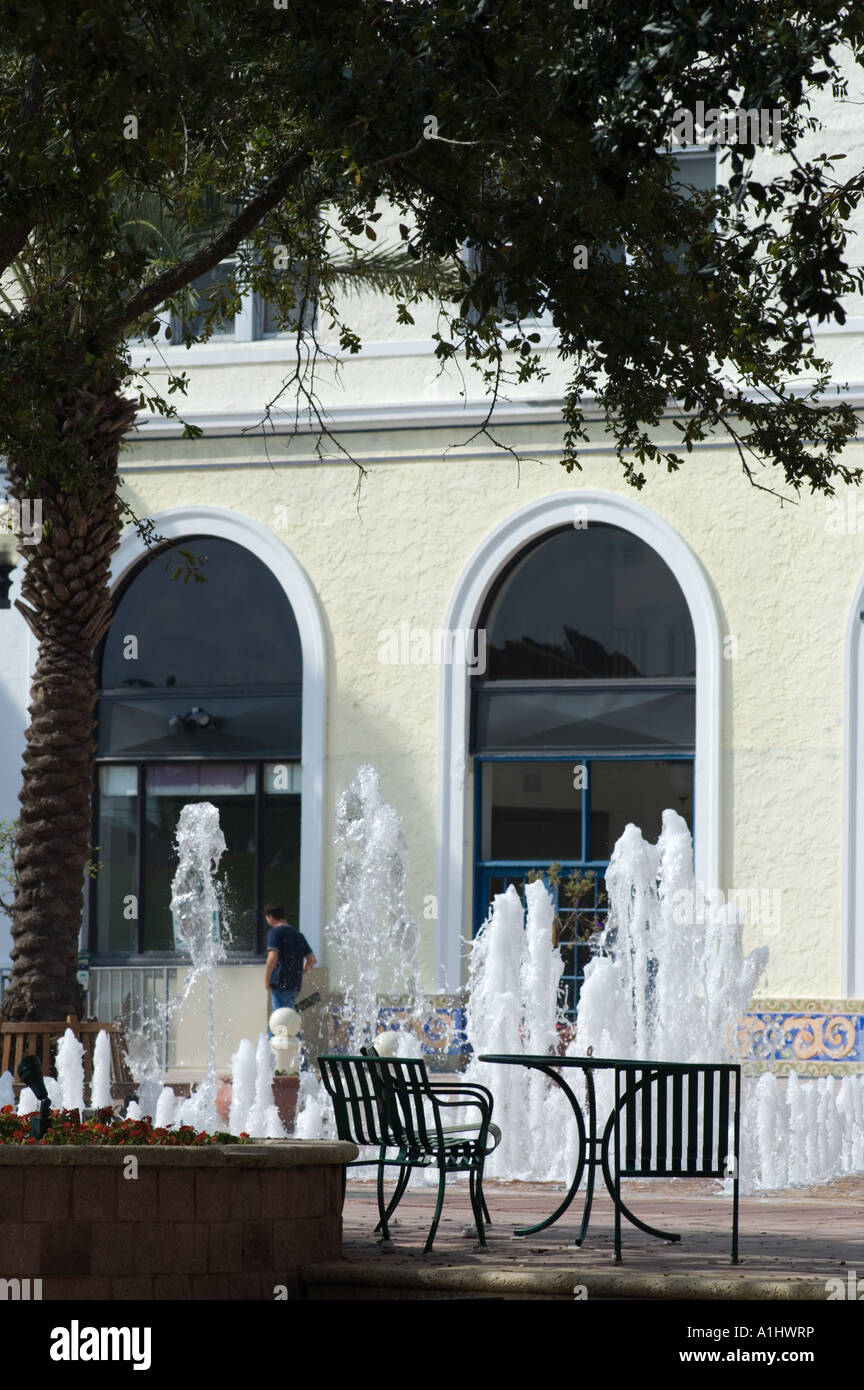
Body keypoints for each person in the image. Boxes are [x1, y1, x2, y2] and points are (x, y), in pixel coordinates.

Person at [263, 902, 316, 1011]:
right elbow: (312, 959)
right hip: (295, 985)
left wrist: (267, 979)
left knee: (280, 1021)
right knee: (285, 1017)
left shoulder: (274, 933)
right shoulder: (298, 935)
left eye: (266, 918)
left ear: (270, 917)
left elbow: (272, 957)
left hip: (280, 983)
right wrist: (301, 971)